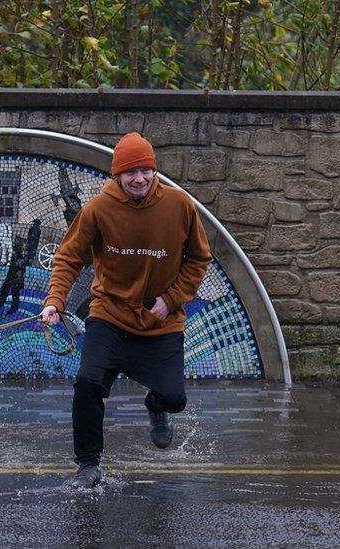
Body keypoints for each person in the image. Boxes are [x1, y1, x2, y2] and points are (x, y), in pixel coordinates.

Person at [41, 132, 212, 489]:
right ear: (117, 175)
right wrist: (55, 301)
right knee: (88, 383)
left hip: (161, 323)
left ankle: (156, 405)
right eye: (130, 172)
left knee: (174, 399)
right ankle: (88, 465)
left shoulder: (180, 206)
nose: (139, 178)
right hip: (109, 315)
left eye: (145, 170)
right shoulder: (98, 209)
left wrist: (173, 298)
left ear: (154, 171)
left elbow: (199, 258)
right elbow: (69, 257)